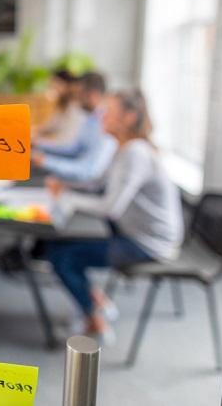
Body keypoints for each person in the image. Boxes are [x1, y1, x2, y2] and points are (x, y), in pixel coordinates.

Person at [45, 89, 184, 342]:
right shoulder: (122, 148)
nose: (100, 118)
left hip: (147, 244)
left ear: (129, 117)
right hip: (132, 233)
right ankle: (97, 301)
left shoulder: (135, 153)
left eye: (107, 112)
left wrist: (68, 199)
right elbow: (98, 182)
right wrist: (65, 186)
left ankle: (96, 323)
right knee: (54, 245)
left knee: (63, 257)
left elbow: (111, 207)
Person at [32, 72, 117, 183]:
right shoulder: (91, 119)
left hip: (88, 186)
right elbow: (74, 149)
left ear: (93, 95)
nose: (76, 99)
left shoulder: (106, 124)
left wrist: (46, 161)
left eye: (79, 94)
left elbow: (89, 171)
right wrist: (39, 145)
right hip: (77, 178)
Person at [34, 69, 85, 146]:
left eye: (56, 85)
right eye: (51, 85)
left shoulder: (74, 111)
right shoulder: (57, 105)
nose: (52, 89)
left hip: (54, 150)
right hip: (44, 144)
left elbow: (63, 140)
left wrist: (37, 139)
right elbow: (46, 127)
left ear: (69, 87)